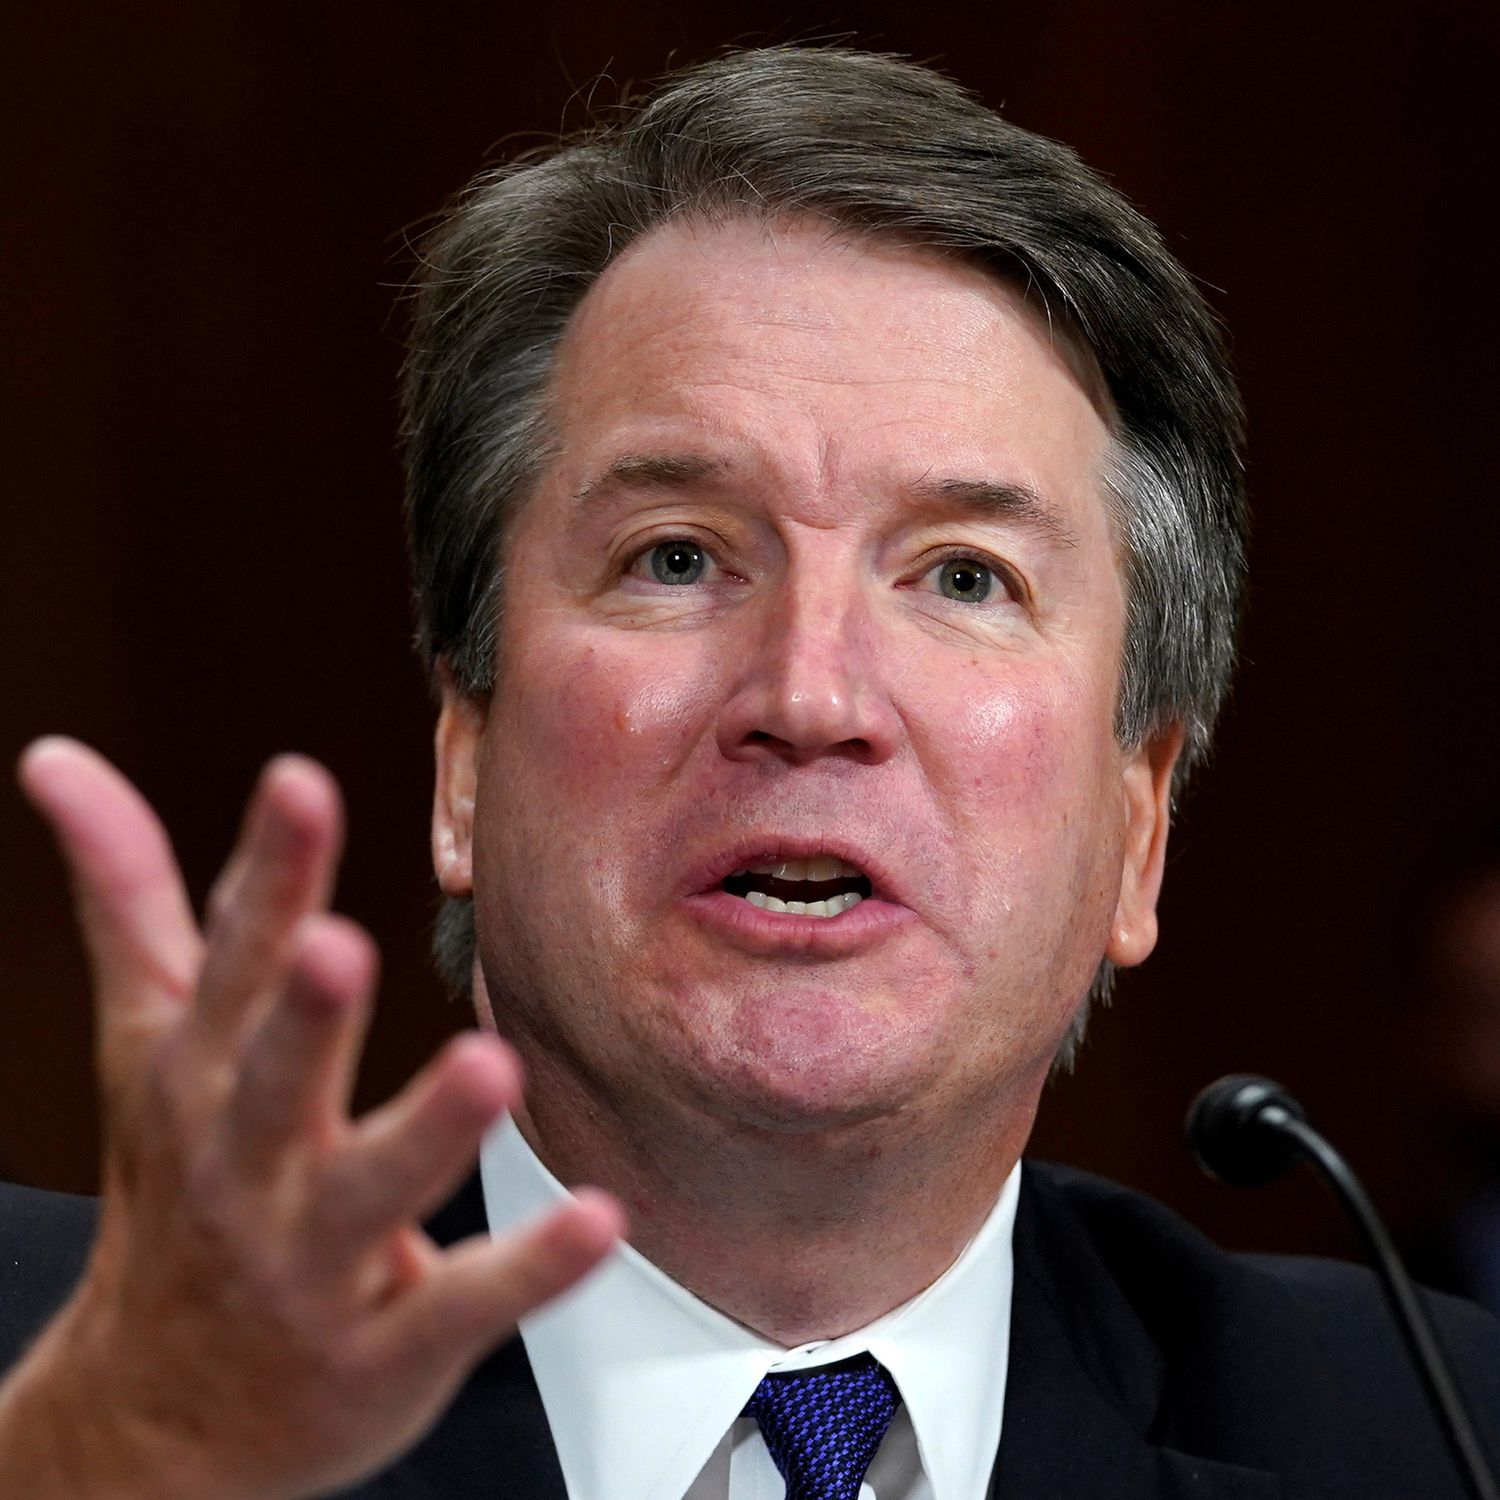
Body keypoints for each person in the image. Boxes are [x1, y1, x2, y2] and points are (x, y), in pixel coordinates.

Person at [1, 44, 1496, 1500]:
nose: (812, 694)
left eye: (965, 578)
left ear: (1139, 827)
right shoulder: (68, 1384)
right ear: (463, 765)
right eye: (677, 557)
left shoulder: (1436, 1434)